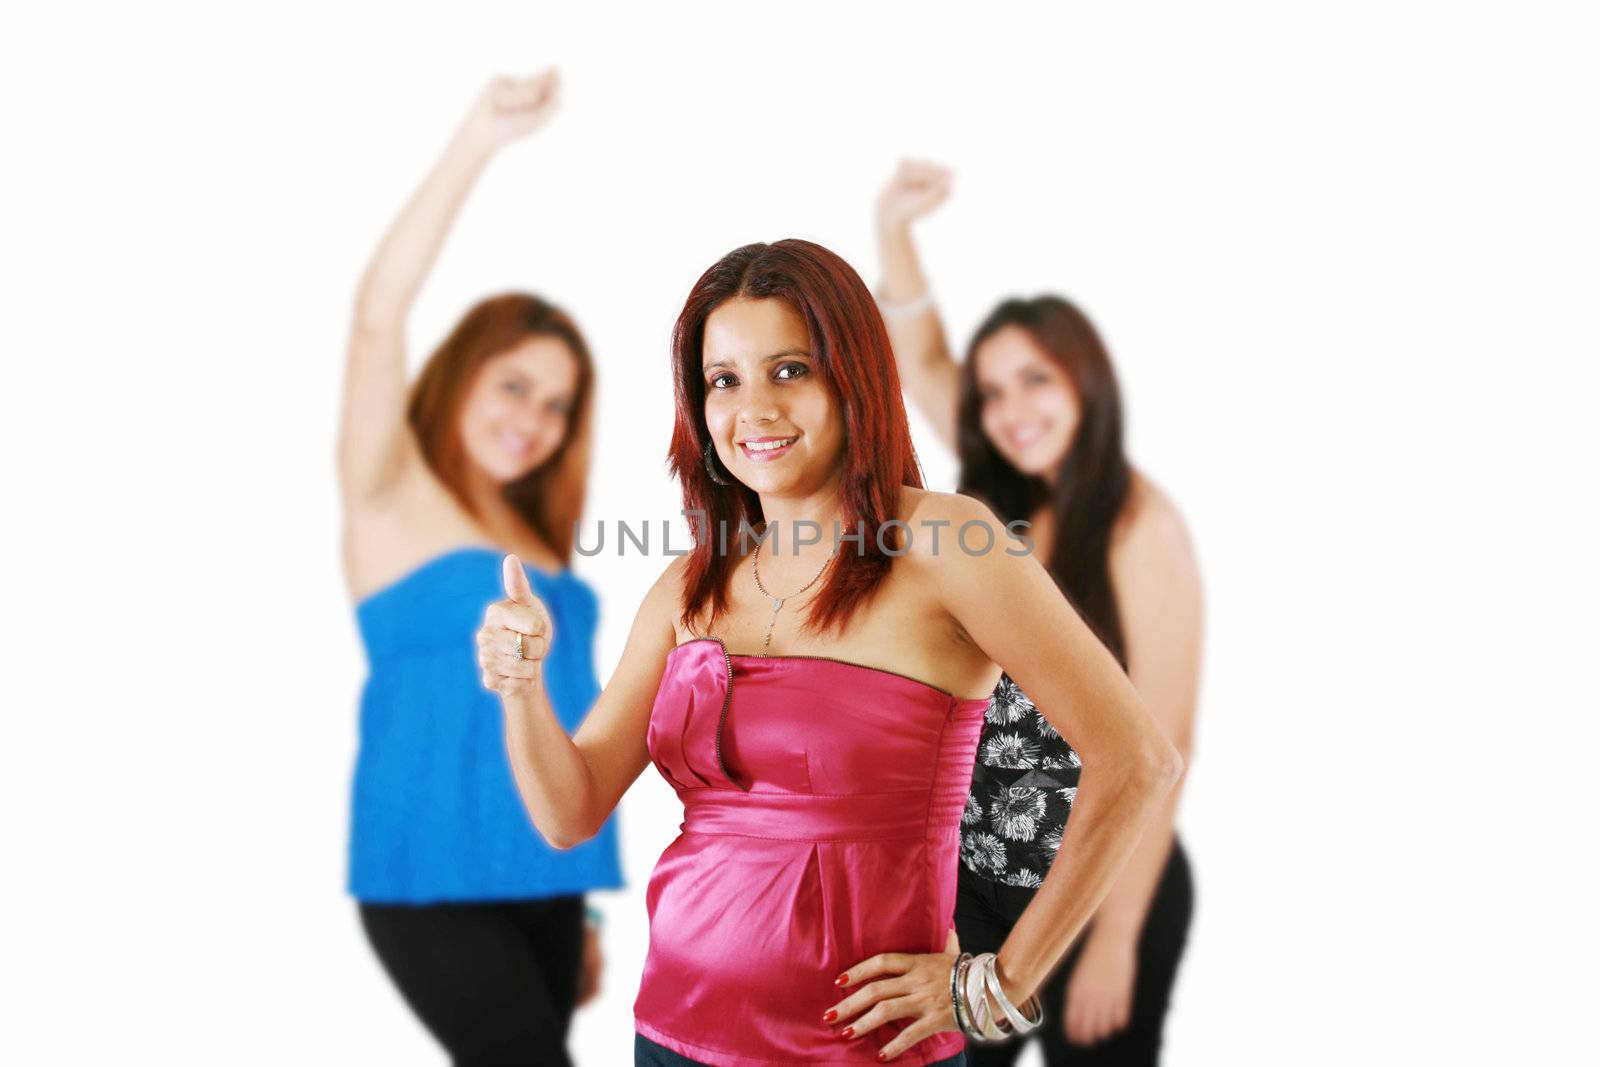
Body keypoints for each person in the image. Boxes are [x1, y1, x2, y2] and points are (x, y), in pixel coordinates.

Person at [475, 238, 1184, 1066]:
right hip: (671, 1033)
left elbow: (1136, 758)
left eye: (789, 370)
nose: (755, 409)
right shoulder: (688, 586)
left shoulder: (945, 540)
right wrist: (520, 688)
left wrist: (996, 986)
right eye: (724, 379)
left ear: (854, 377)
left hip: (861, 1052)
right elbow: (571, 810)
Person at [873, 159, 1203, 1065]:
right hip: (974, 881)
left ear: (1085, 383)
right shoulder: (992, 505)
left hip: (1101, 882)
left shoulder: (1140, 527)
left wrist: (1117, 942)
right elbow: (928, 360)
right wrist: (895, 231)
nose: (1012, 409)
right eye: (995, 391)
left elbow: (1164, 742)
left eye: (1037, 381)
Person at [338, 70, 621, 1067]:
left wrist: (585, 908)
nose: (532, 420)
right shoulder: (391, 494)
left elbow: (558, 708)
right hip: (429, 870)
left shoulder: (537, 533)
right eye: (514, 384)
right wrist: (477, 139)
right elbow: (379, 311)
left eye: (557, 404)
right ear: (462, 372)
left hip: (545, 866)